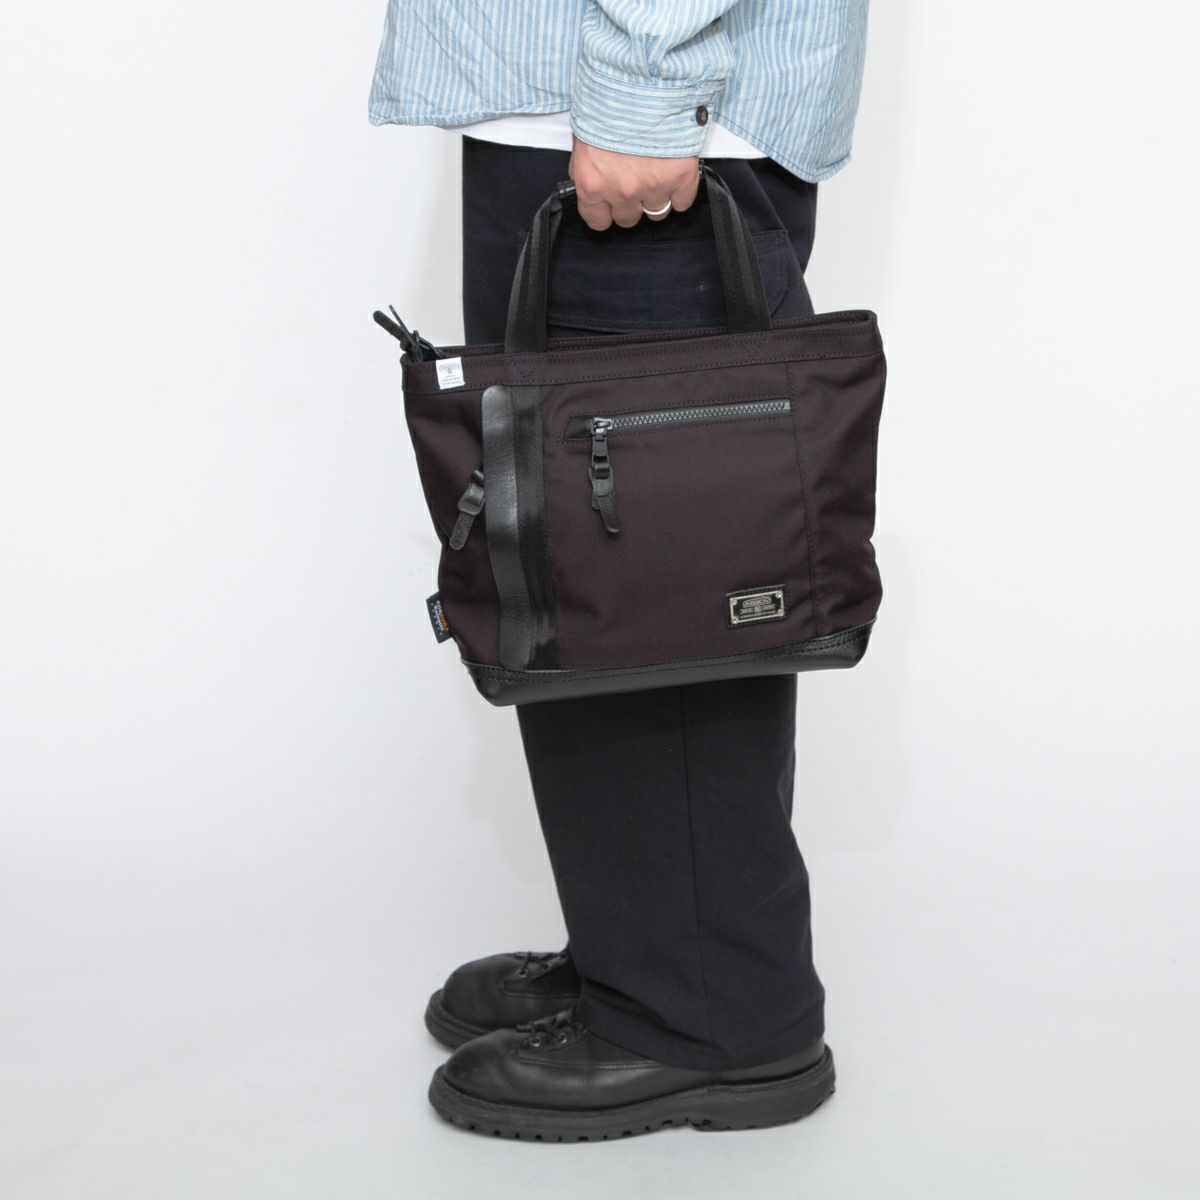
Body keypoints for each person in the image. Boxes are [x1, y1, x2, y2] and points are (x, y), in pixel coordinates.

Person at [369, 1, 872, 1140]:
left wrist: (648, 85)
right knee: (583, 571)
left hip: (640, 106)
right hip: (574, 95)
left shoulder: (644, 105)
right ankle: (646, 949)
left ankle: (707, 1017)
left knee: (656, 582)